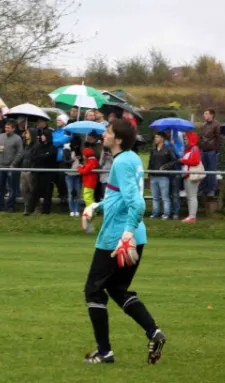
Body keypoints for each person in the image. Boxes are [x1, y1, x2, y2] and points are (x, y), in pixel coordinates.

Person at [81, 118, 165, 365]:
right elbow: (121, 196)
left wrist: (126, 234)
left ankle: (105, 352)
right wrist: (97, 205)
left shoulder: (121, 161)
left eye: (107, 132)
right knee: (117, 289)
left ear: (117, 139)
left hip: (117, 239)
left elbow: (137, 203)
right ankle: (154, 332)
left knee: (93, 290)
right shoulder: (131, 158)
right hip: (134, 236)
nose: (104, 135)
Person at [0, 119, 24, 212]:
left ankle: (11, 207)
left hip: (11, 167)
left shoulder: (17, 138)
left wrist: (14, 164)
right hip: (0, 166)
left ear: (13, 129)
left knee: (12, 188)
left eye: (8, 127)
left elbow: (20, 152)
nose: (6, 129)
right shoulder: (0, 136)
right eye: (6, 127)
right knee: (0, 188)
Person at [147, 132, 177, 220]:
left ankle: (166, 213)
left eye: (157, 137)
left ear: (162, 138)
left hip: (164, 177)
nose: (155, 139)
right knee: (155, 197)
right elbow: (151, 161)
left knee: (165, 197)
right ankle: (155, 213)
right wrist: (149, 173)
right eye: (155, 137)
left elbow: (174, 161)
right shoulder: (153, 150)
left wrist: (165, 167)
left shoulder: (168, 149)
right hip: (154, 176)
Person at [198, 108, 222, 198]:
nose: (204, 115)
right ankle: (203, 189)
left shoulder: (216, 125)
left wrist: (216, 150)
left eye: (206, 113)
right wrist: (200, 147)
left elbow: (219, 138)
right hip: (203, 151)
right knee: (203, 171)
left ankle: (212, 190)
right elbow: (201, 137)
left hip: (212, 151)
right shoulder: (203, 125)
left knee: (212, 171)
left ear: (211, 114)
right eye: (204, 113)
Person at [33, 129, 58, 214]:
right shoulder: (38, 146)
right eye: (41, 135)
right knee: (36, 190)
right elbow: (35, 157)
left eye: (44, 135)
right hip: (39, 172)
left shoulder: (53, 147)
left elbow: (49, 157)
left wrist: (43, 156)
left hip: (49, 173)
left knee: (48, 192)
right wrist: (43, 156)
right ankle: (36, 208)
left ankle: (46, 210)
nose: (42, 137)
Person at [179, 132, 201, 223]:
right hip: (187, 175)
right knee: (189, 196)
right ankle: (190, 215)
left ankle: (192, 216)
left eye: (186, 139)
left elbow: (195, 161)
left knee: (192, 196)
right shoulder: (188, 149)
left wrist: (184, 160)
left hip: (192, 175)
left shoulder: (195, 148)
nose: (185, 140)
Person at [164, 130, 185, 220]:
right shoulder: (165, 143)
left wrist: (173, 145)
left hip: (176, 171)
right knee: (167, 193)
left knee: (175, 193)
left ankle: (176, 212)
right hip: (167, 172)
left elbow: (180, 156)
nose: (170, 134)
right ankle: (167, 211)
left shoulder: (179, 144)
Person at [52, 114, 71, 208]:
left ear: (64, 121)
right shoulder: (55, 131)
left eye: (59, 120)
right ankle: (61, 193)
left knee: (61, 177)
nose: (57, 121)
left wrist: (56, 142)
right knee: (55, 178)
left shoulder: (68, 132)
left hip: (63, 158)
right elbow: (52, 141)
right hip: (54, 158)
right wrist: (56, 142)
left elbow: (57, 142)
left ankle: (65, 194)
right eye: (57, 120)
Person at [20, 128, 40, 215]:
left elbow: (35, 159)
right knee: (23, 190)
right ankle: (27, 206)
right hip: (23, 169)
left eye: (27, 133)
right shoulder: (25, 144)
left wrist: (32, 168)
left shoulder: (36, 145)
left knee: (32, 190)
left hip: (31, 171)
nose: (25, 135)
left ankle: (37, 208)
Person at [63, 137, 82, 216]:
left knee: (78, 192)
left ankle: (77, 209)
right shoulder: (66, 150)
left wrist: (81, 159)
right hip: (69, 174)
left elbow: (82, 162)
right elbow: (65, 161)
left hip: (78, 174)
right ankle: (72, 210)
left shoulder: (79, 151)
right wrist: (72, 160)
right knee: (70, 193)